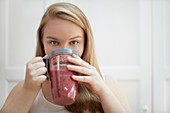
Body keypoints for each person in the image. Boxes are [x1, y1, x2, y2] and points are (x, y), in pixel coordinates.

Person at [0, 2, 132, 113]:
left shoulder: (106, 83)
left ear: (85, 44)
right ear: (42, 42)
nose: (63, 51)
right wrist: (28, 91)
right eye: (54, 42)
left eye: (74, 42)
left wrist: (103, 92)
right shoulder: (26, 87)